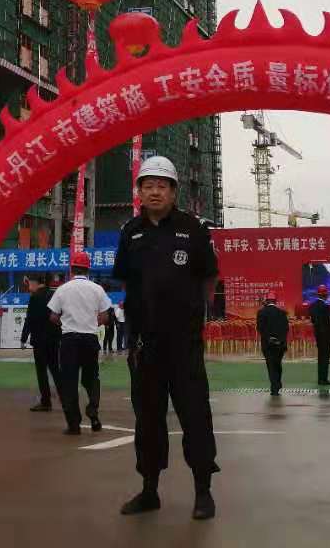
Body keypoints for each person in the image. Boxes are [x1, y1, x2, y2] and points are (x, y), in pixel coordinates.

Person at [112, 155, 220, 521]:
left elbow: (209, 276)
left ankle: (203, 491)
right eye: (148, 186)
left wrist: (194, 315)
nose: (155, 191)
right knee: (148, 419)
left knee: (195, 414)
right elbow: (126, 280)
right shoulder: (130, 232)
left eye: (162, 185)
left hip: (184, 344)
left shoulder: (193, 228)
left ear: (174, 192)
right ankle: (149, 491)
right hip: (145, 346)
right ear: (140, 192)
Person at [50, 251, 112, 435]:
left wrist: (65, 323)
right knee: (92, 378)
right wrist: (91, 323)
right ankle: (93, 410)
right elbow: (105, 317)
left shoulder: (63, 289)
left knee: (69, 382)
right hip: (89, 339)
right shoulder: (97, 289)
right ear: (88, 269)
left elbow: (53, 316)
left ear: (72, 269)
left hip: (69, 340)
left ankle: (74, 425)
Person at [21, 274, 58, 412]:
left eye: (30, 283)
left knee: (42, 371)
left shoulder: (35, 297)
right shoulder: (54, 295)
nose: (29, 286)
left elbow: (29, 319)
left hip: (39, 340)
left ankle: (46, 402)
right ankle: (67, 399)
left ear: (36, 283)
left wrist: (23, 338)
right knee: (56, 369)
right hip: (54, 338)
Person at [256, 296, 289, 396]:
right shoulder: (282, 313)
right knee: (278, 364)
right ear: (275, 301)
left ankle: (274, 388)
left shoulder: (261, 312)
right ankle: (277, 383)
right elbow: (286, 328)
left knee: (271, 365)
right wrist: (280, 340)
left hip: (268, 344)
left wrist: (269, 338)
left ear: (267, 301)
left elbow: (260, 328)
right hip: (280, 344)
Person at [309, 284, 330, 386]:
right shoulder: (326, 307)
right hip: (327, 337)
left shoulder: (312, 306)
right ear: (325, 295)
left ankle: (321, 379)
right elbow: (329, 323)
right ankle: (324, 379)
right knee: (325, 359)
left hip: (319, 336)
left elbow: (314, 321)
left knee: (321, 358)